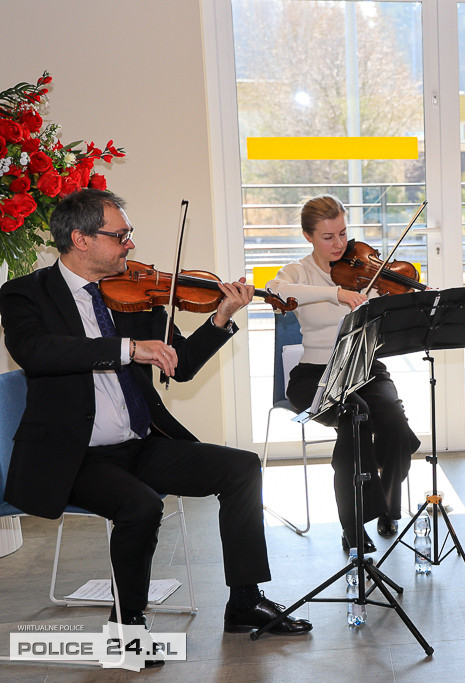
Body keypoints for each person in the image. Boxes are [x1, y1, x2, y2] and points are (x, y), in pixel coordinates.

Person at [0, 189, 312, 651]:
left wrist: (221, 317)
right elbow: (35, 351)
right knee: (142, 507)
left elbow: (178, 365)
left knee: (242, 468)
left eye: (130, 234)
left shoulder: (136, 292)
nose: (130, 244)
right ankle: (127, 630)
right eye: (120, 235)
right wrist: (127, 349)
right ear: (81, 239)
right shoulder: (25, 293)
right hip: (75, 455)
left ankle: (245, 601)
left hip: (141, 444)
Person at [267, 195, 419, 553]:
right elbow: (275, 291)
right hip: (314, 375)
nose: (339, 244)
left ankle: (385, 504)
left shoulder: (364, 270)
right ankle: (353, 525)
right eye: (327, 237)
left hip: (366, 368)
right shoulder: (298, 272)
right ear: (308, 236)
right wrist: (335, 293)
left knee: (397, 430)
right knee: (355, 418)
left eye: (342, 233)